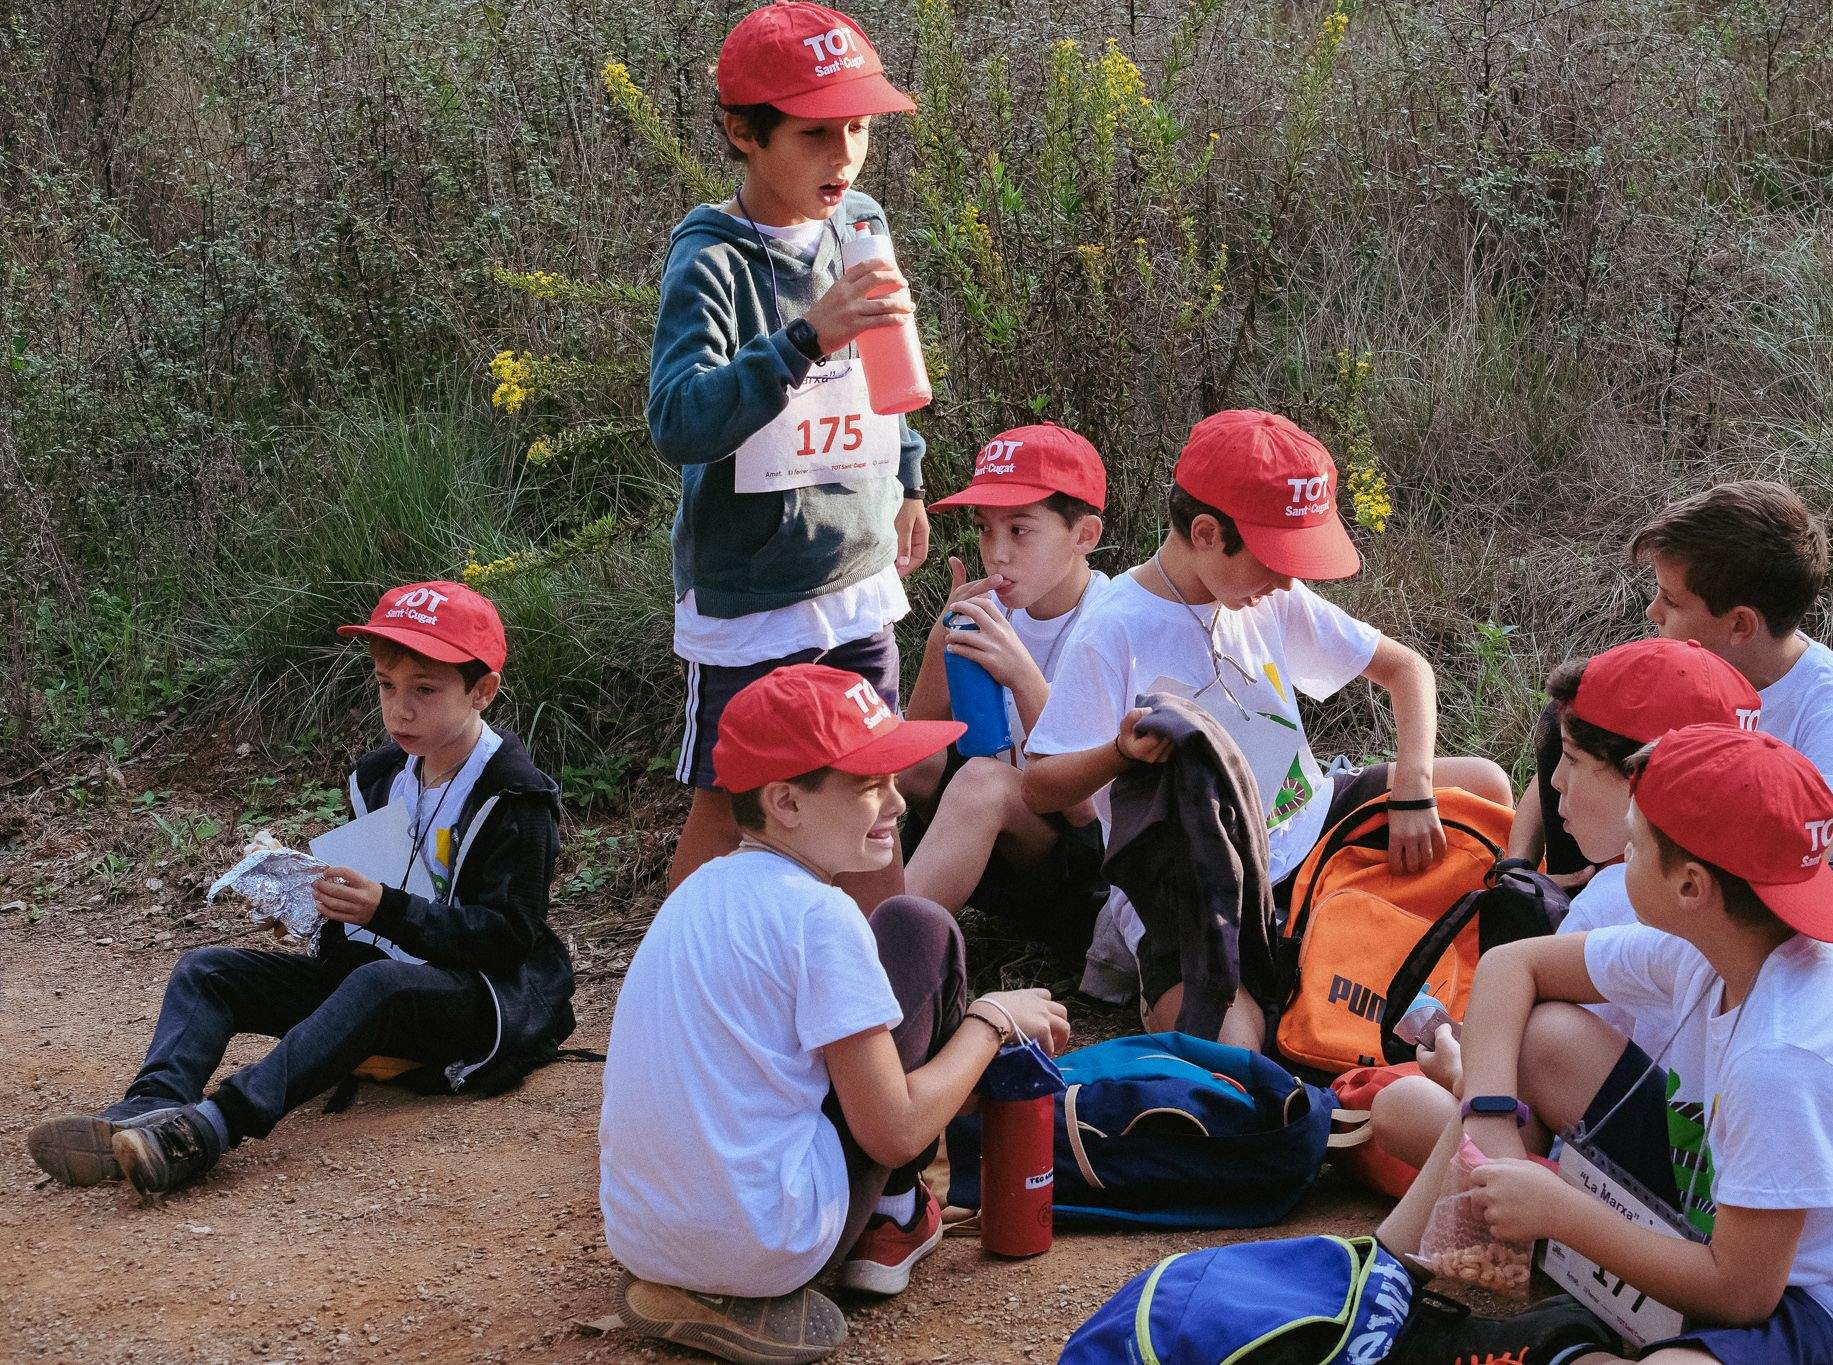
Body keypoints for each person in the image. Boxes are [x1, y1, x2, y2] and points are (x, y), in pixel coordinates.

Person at [1377, 726, 1833, 1365]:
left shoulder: (1786, 1054)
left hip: (1830, 1314)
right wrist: (1489, 1116)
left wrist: (1563, 1214)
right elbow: (1514, 966)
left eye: (1633, 844)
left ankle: (1568, 1345)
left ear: (1690, 887)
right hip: (1720, 1207)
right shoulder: (1721, 945)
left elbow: (1739, 1295)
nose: (1622, 859)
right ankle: (1381, 1284)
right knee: (1545, 1041)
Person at [27, 581, 574, 1197]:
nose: (401, 710)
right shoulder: (381, 775)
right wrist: (315, 910)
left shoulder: (514, 795)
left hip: (474, 1007)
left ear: (482, 691)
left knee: (378, 983)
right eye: (386, 686)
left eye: (425, 689)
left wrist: (384, 909)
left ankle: (207, 1130)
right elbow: (374, 912)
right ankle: (147, 1110)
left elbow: (508, 939)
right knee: (207, 971)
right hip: (380, 987)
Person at [599, 664, 1070, 1363]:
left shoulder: (694, 894)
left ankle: (692, 1282)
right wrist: (992, 1020)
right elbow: (895, 1127)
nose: (898, 803)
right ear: (785, 801)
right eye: (868, 784)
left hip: (641, 1236)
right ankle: (892, 1216)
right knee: (919, 928)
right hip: (771, 1243)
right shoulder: (819, 915)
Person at [1024, 409, 1510, 1048]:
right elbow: (1040, 787)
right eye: (1275, 557)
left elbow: (1406, 670)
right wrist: (1120, 752)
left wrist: (1415, 787)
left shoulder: (1269, 594)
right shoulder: (1115, 630)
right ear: (1205, 532)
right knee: (1233, 1048)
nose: (1289, 578)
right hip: (1196, 873)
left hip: (1309, 816)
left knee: (1484, 783)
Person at [649, 0, 931, 907]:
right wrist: (804, 339)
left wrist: (912, 479)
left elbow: (887, 372)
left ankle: (886, 1023)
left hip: (856, 579)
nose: (843, 157)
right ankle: (678, 1006)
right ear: (743, 131)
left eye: (858, 129)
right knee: (732, 814)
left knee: (872, 801)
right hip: (752, 602)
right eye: (815, 133)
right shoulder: (713, 260)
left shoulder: (863, 221)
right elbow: (679, 422)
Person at [1370, 637, 1760, 1169]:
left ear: (1640, 778)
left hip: (1643, 1172)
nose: (1553, 781)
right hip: (1704, 1144)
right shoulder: (1738, 886)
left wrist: (1461, 1072)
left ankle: (1536, 1221)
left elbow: (1540, 1075)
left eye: (1571, 760)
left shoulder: (1615, 899)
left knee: (1400, 1105)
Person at [1509, 481, 1833, 978]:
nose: (1652, 612)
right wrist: (1518, 869)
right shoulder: (1694, 668)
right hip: (1689, 864)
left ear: (1739, 625)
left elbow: (1798, 860)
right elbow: (1581, 752)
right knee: (1575, 716)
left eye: (1671, 601)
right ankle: (1557, 909)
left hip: (1818, 907)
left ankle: (1588, 935)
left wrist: (1641, 879)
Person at [897, 423, 1111, 968]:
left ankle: (875, 959)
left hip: (1087, 875)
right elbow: (914, 746)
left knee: (983, 783)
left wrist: (1023, 677)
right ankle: (819, 921)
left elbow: (1090, 810)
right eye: (985, 529)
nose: (997, 555)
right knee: (892, 758)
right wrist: (943, 640)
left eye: (1020, 530)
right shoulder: (996, 608)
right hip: (999, 851)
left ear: (1084, 535)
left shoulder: (1113, 623)